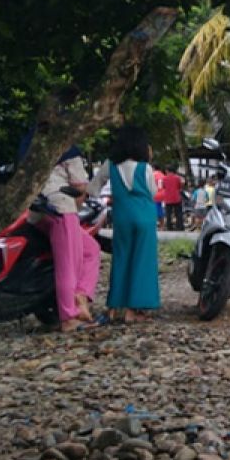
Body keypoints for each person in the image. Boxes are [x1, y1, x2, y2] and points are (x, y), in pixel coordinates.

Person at [91, 125, 160, 323]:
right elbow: (153, 192)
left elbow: (94, 189)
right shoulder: (144, 168)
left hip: (122, 218)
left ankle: (114, 307)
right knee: (142, 261)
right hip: (145, 217)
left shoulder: (110, 165)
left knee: (121, 259)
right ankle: (134, 310)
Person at [36, 146, 100, 332]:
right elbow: (80, 185)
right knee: (68, 265)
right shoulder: (68, 150)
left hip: (37, 210)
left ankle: (81, 294)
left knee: (90, 249)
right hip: (60, 207)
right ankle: (69, 316)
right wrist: (77, 205)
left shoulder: (30, 143)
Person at [160, 165, 185, 231]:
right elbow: (180, 186)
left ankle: (169, 227)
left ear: (167, 170)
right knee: (178, 214)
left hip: (168, 198)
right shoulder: (178, 178)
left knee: (168, 214)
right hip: (176, 198)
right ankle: (179, 227)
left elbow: (163, 187)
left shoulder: (164, 178)